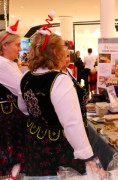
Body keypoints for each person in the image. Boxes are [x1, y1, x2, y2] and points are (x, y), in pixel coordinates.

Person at [19, 19, 106, 177]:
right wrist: (89, 159)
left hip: (35, 145)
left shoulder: (26, 76)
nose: (66, 54)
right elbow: (72, 124)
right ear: (54, 52)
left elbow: (24, 108)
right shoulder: (59, 79)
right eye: (64, 51)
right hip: (59, 148)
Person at [0, 21, 28, 176]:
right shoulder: (3, 64)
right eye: (17, 45)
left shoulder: (8, 63)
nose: (20, 49)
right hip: (8, 117)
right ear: (5, 46)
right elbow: (21, 88)